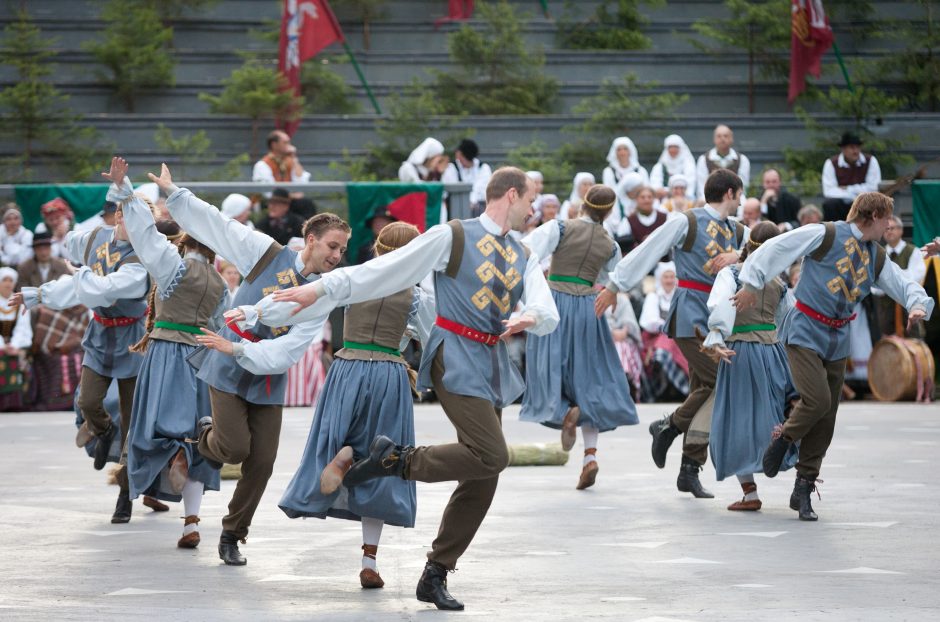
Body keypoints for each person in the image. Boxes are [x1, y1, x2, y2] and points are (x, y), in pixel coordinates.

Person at [266, 167, 559, 610]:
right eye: (531, 199)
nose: (534, 209)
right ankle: (397, 459)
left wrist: (531, 317)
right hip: (455, 355)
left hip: (492, 362)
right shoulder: (452, 236)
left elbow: (544, 304)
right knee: (493, 454)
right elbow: (386, 270)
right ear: (512, 195)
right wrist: (321, 288)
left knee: (485, 471)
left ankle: (436, 571)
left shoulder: (523, 251)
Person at [147, 163, 350, 566]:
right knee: (234, 448)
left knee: (262, 462)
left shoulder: (323, 294)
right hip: (225, 358)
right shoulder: (265, 252)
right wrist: (175, 194)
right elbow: (218, 225)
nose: (337, 255)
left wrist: (246, 352)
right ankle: (201, 437)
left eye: (342, 250)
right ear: (310, 240)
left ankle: (231, 534)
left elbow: (292, 348)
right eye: (332, 246)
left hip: (263, 370)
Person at [242, 222, 433, 589]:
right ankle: (370, 560)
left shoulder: (351, 278)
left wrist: (255, 313)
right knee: (383, 463)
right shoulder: (416, 296)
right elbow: (434, 342)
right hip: (389, 375)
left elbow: (302, 300)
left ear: (376, 249)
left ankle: (341, 455)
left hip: (347, 370)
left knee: (330, 442)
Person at [735, 192, 933, 520]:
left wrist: (917, 304)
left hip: (838, 336)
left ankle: (803, 488)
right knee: (816, 400)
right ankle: (784, 438)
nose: (891, 225)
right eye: (887, 219)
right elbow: (777, 248)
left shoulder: (876, 255)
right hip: (804, 328)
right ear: (872, 217)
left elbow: (901, 281)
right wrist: (752, 282)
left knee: (827, 418)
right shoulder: (824, 233)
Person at [596, 169, 748, 499]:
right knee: (720, 381)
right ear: (731, 193)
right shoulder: (687, 222)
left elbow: (768, 245)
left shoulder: (737, 231)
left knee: (704, 390)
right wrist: (615, 285)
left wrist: (740, 254)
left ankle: (689, 470)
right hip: (692, 313)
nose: (743, 200)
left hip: (719, 318)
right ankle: (669, 426)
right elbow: (649, 249)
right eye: (740, 194)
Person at [102, 158, 228, 549]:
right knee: (196, 434)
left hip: (167, 350)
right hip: (201, 359)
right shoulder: (221, 283)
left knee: (149, 427)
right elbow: (223, 327)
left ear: (185, 240)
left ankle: (169, 456)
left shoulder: (173, 266)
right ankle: (191, 522)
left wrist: (125, 192)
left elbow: (145, 236)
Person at [13, 188, 153, 524]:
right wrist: (39, 291)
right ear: (117, 215)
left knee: (133, 423)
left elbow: (102, 287)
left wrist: (78, 275)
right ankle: (102, 432)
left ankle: (125, 496)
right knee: (88, 402)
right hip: (102, 333)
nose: (129, 223)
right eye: (125, 215)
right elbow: (71, 247)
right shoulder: (95, 239)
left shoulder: (144, 256)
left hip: (133, 337)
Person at [520, 184, 636, 489]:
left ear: (581, 204)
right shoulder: (609, 244)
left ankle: (563, 411)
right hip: (589, 307)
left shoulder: (560, 227)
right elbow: (619, 274)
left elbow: (525, 250)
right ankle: (590, 457)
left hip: (555, 300)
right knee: (589, 378)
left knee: (546, 366)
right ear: (609, 212)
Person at [701, 222, 798, 511]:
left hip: (740, 351)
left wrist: (716, 338)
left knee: (736, 418)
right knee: (778, 411)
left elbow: (719, 305)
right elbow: (788, 318)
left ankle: (750, 493)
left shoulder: (731, 274)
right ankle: (792, 467)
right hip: (773, 352)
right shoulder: (778, 281)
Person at [639, 262, 690, 402]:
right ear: (659, 279)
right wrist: (667, 326)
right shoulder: (654, 297)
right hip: (655, 339)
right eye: (665, 277)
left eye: (671, 277)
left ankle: (679, 390)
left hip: (678, 338)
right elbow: (649, 322)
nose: (669, 280)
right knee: (660, 352)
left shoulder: (681, 296)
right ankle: (660, 391)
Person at [874, 216, 927, 337]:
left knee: (914, 347)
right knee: (890, 348)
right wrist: (900, 278)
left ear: (901, 230)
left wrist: (888, 282)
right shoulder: (878, 253)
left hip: (910, 311)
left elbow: (915, 278)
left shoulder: (913, 251)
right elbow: (875, 286)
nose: (889, 231)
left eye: (892, 228)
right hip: (886, 312)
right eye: (886, 229)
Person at [822, 132, 881, 221]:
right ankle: (834, 232)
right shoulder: (831, 163)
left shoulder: (871, 161)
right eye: (852, 147)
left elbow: (873, 188)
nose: (856, 151)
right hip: (841, 205)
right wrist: (853, 196)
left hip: (864, 204)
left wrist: (848, 189)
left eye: (858, 147)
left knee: (872, 205)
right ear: (843, 149)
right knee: (830, 204)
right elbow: (829, 191)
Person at [0, 267, 32, 411]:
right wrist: (2, 345)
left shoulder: (19, 302)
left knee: (18, 359)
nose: (7, 284)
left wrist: (14, 345)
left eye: (10, 280)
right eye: (4, 280)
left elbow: (22, 328)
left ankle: (13, 403)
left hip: (15, 346)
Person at [696, 124, 751, 203]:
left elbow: (742, 187)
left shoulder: (742, 160)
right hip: (711, 199)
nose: (722, 139)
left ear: (732, 139)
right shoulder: (703, 160)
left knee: (743, 202)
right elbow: (702, 187)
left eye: (726, 136)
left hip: (734, 199)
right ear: (714, 139)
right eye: (719, 136)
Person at [441, 139, 492, 210]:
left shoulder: (483, 168)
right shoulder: (451, 168)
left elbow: (482, 190)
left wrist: (471, 201)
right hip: (456, 208)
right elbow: (449, 189)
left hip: (478, 210)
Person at [650, 134, 697, 201]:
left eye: (675, 147)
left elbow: (690, 188)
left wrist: (669, 191)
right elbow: (655, 187)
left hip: (685, 202)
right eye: (670, 147)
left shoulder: (688, 165)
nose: (673, 150)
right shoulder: (660, 166)